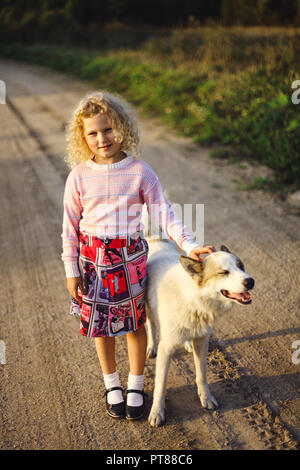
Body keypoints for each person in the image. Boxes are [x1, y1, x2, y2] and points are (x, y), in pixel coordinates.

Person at [61, 90, 215, 421]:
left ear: (122, 128)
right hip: (92, 259)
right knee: (101, 328)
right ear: (82, 137)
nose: (102, 138)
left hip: (129, 258)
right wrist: (71, 269)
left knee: (133, 322)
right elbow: (69, 228)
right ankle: (111, 383)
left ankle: (135, 383)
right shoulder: (78, 177)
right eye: (93, 133)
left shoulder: (141, 172)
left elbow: (166, 215)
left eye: (108, 129)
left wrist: (189, 246)